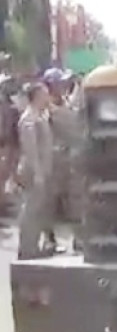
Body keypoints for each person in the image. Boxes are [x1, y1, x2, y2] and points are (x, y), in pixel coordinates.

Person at [44, 68, 85, 252]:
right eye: (59, 82)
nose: (63, 85)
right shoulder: (46, 108)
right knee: (49, 203)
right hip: (53, 161)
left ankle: (79, 240)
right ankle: (49, 240)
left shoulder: (66, 103)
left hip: (70, 160)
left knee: (76, 200)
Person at [16, 81, 57, 258]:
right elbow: (30, 148)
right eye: (44, 94)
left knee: (38, 209)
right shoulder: (29, 119)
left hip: (42, 171)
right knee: (31, 210)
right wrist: (38, 173)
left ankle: (33, 245)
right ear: (37, 96)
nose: (47, 97)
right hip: (33, 172)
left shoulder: (40, 116)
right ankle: (27, 248)